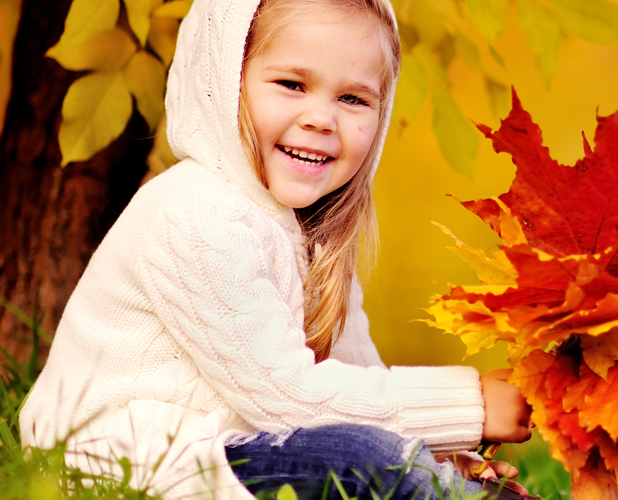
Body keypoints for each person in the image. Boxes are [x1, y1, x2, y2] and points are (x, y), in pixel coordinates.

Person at [18, 0, 532, 498]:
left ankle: (451, 487)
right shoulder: (200, 214)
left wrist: (436, 450)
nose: (321, 118)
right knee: (356, 457)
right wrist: (472, 406)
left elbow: (358, 382)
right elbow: (291, 400)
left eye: (353, 99)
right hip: (119, 464)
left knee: (369, 453)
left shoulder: (311, 233)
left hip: (233, 448)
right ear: (225, 82)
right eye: (291, 84)